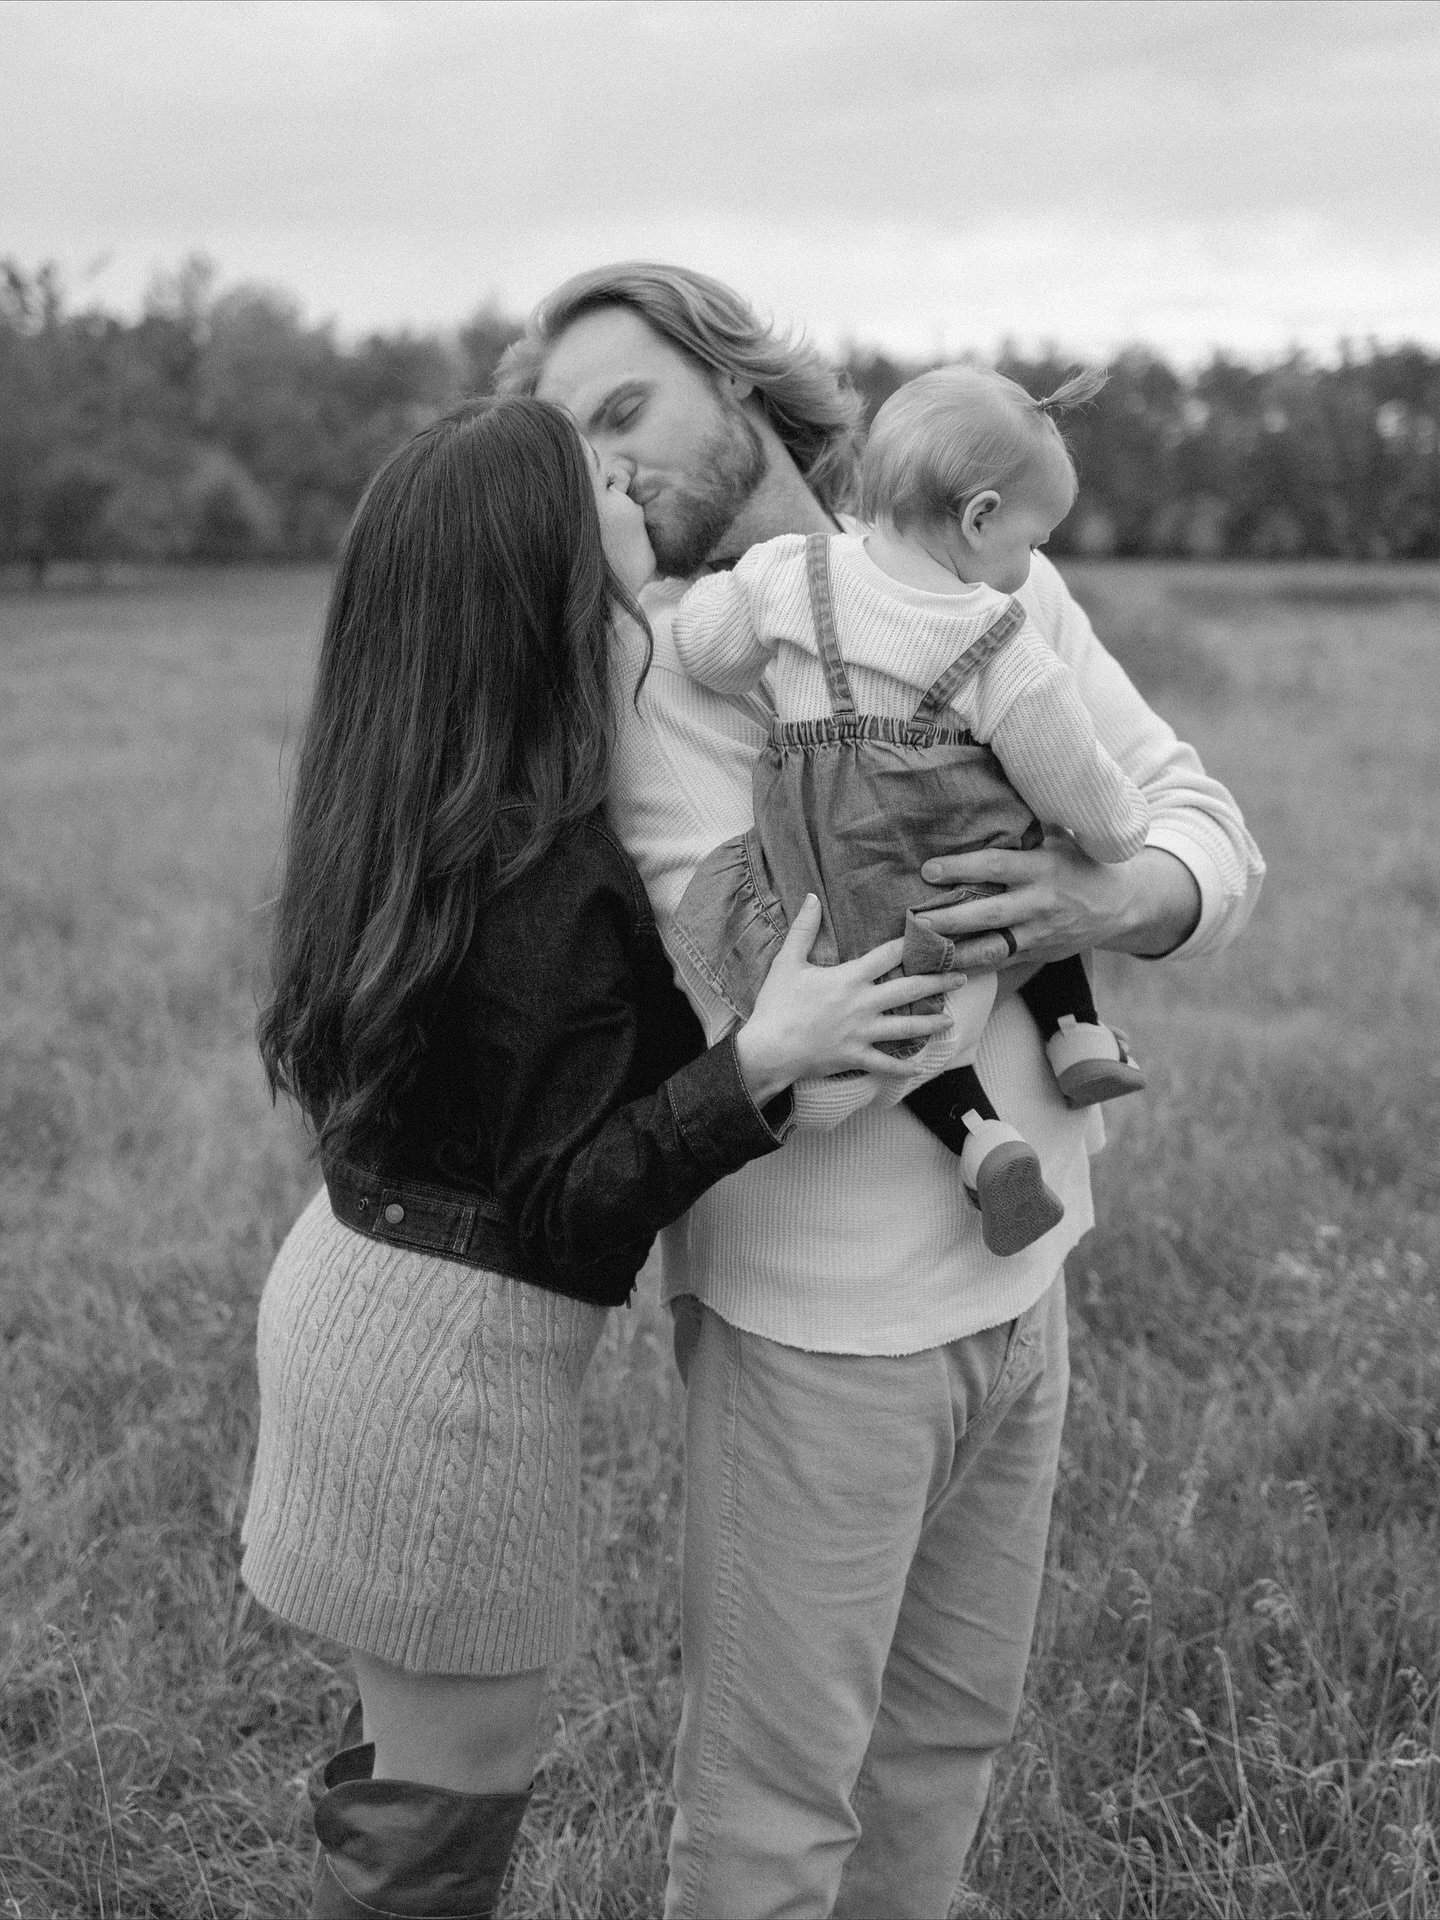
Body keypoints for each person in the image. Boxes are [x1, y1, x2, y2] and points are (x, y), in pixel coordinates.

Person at [499, 262, 1265, 1920]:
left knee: (947, 1754)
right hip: (814, 1340)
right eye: (574, 448)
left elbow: (1200, 821)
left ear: (738, 378)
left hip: (1027, 1288)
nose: (608, 467)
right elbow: (786, 1050)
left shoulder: (985, 568)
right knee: (777, 1818)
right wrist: (976, 904)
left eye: (626, 410)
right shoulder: (654, 687)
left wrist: (1106, 901)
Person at [239, 394, 964, 1919]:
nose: (631, 489)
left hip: (354, 1298)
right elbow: (568, 1209)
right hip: (447, 1365)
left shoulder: (423, 794)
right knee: (440, 1816)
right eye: (601, 487)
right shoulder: (545, 866)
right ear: (546, 567)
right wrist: (761, 1062)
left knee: (405, 1758)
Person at [668, 360, 1153, 1257]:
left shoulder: (789, 570)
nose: (1033, 563)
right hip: (955, 877)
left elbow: (705, 653)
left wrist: (703, 592)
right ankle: (1076, 1031)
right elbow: (1081, 788)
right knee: (1033, 853)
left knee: (908, 1016)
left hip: (836, 887)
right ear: (980, 518)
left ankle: (984, 1142)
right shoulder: (996, 640)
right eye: (1034, 541)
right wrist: (1124, 832)